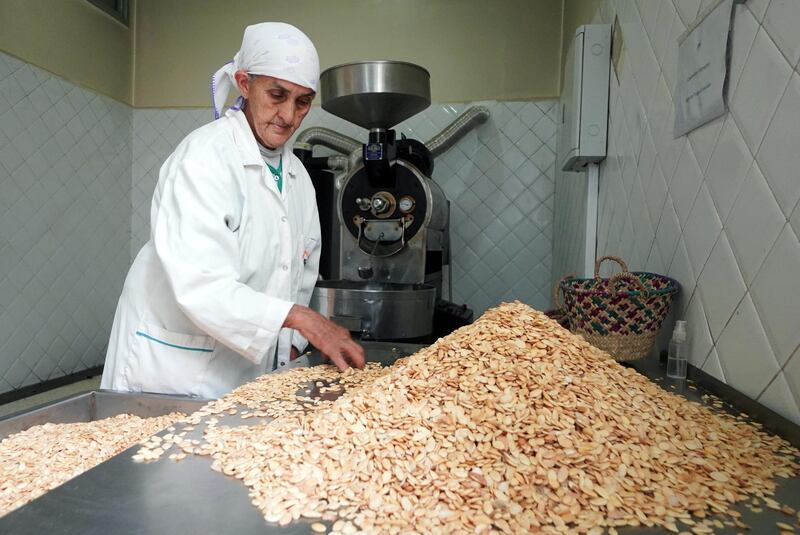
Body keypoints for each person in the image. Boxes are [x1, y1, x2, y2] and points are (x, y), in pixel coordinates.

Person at [101, 22, 364, 399]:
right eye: (277, 94)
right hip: (171, 368)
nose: (288, 115)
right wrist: (302, 320)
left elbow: (300, 272)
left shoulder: (298, 178)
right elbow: (201, 284)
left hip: (243, 369)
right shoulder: (204, 158)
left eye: (302, 101)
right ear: (244, 83)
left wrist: (289, 344)